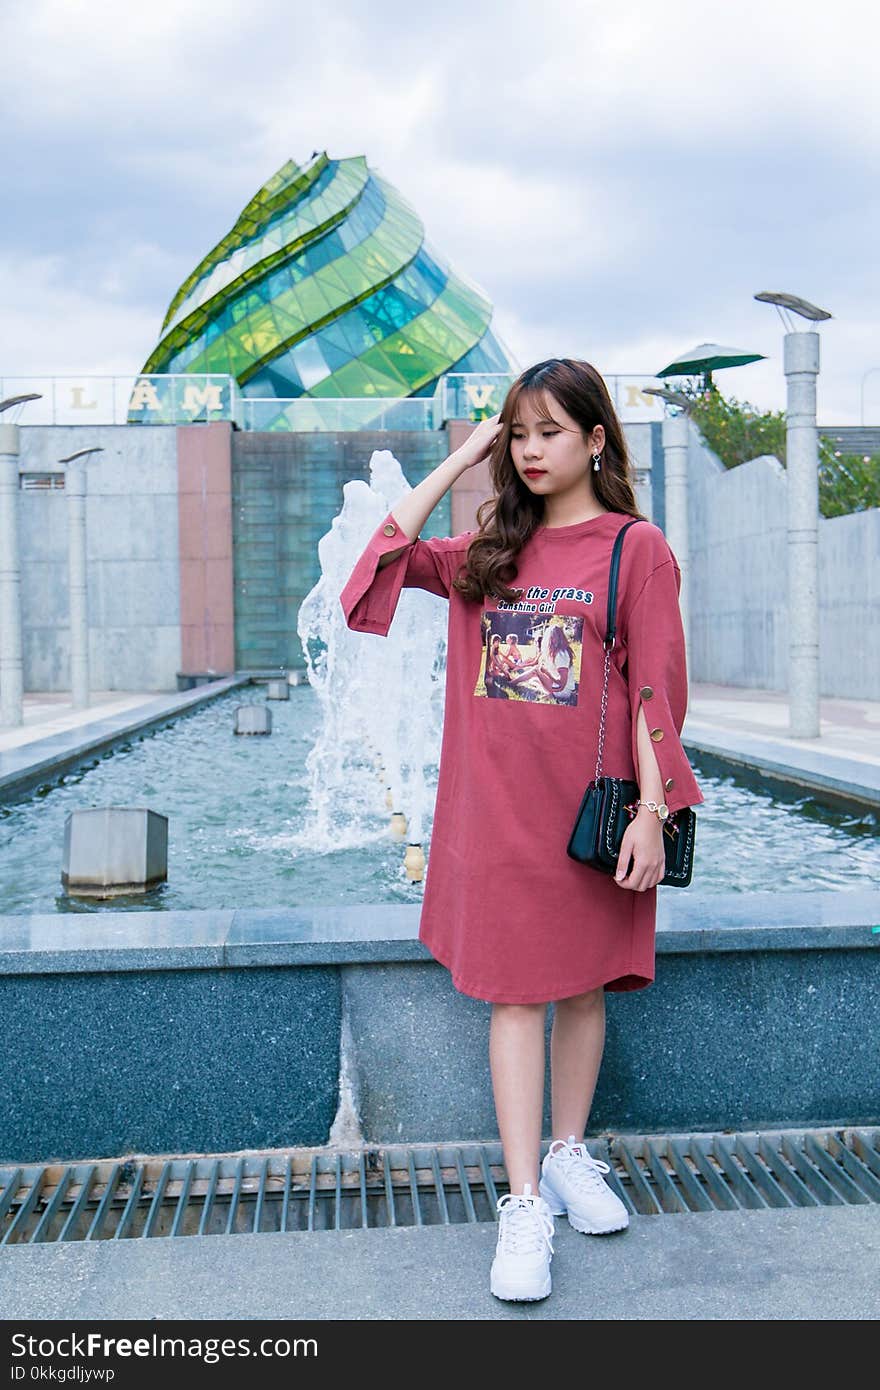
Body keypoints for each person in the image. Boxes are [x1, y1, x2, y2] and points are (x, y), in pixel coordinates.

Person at [340, 357, 705, 1303]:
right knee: (514, 1001)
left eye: (551, 431)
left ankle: (573, 1152)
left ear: (595, 439)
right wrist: (462, 459)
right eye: (519, 432)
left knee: (585, 989)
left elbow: (658, 691)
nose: (533, 449)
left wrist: (657, 814)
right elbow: (368, 582)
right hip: (494, 818)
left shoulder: (637, 548)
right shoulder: (485, 552)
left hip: (592, 813)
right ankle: (525, 1203)